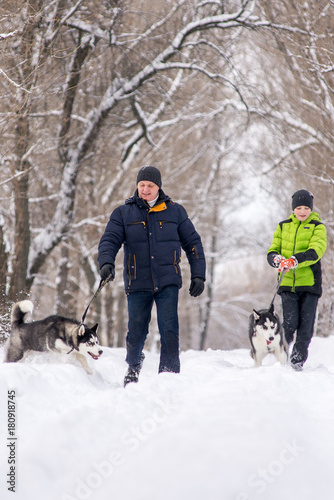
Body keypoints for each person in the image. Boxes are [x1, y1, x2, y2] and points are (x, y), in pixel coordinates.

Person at [98, 166, 206, 386]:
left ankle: (168, 374)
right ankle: (133, 365)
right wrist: (106, 262)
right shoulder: (123, 213)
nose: (145, 189)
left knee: (169, 327)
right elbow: (109, 240)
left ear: (159, 187)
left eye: (150, 185)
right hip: (138, 279)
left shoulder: (175, 212)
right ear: (137, 186)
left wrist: (198, 275)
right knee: (136, 330)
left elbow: (193, 243)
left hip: (167, 279)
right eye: (142, 185)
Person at [267, 189, 327, 371]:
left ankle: (297, 361)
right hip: (287, 285)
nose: (302, 211)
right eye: (299, 208)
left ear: (311, 209)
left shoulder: (318, 227)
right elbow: (272, 250)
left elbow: (316, 251)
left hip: (309, 285)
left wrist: (294, 260)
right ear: (293, 209)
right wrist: (277, 259)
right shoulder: (283, 226)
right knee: (289, 323)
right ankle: (282, 356)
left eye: (306, 208)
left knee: (305, 326)